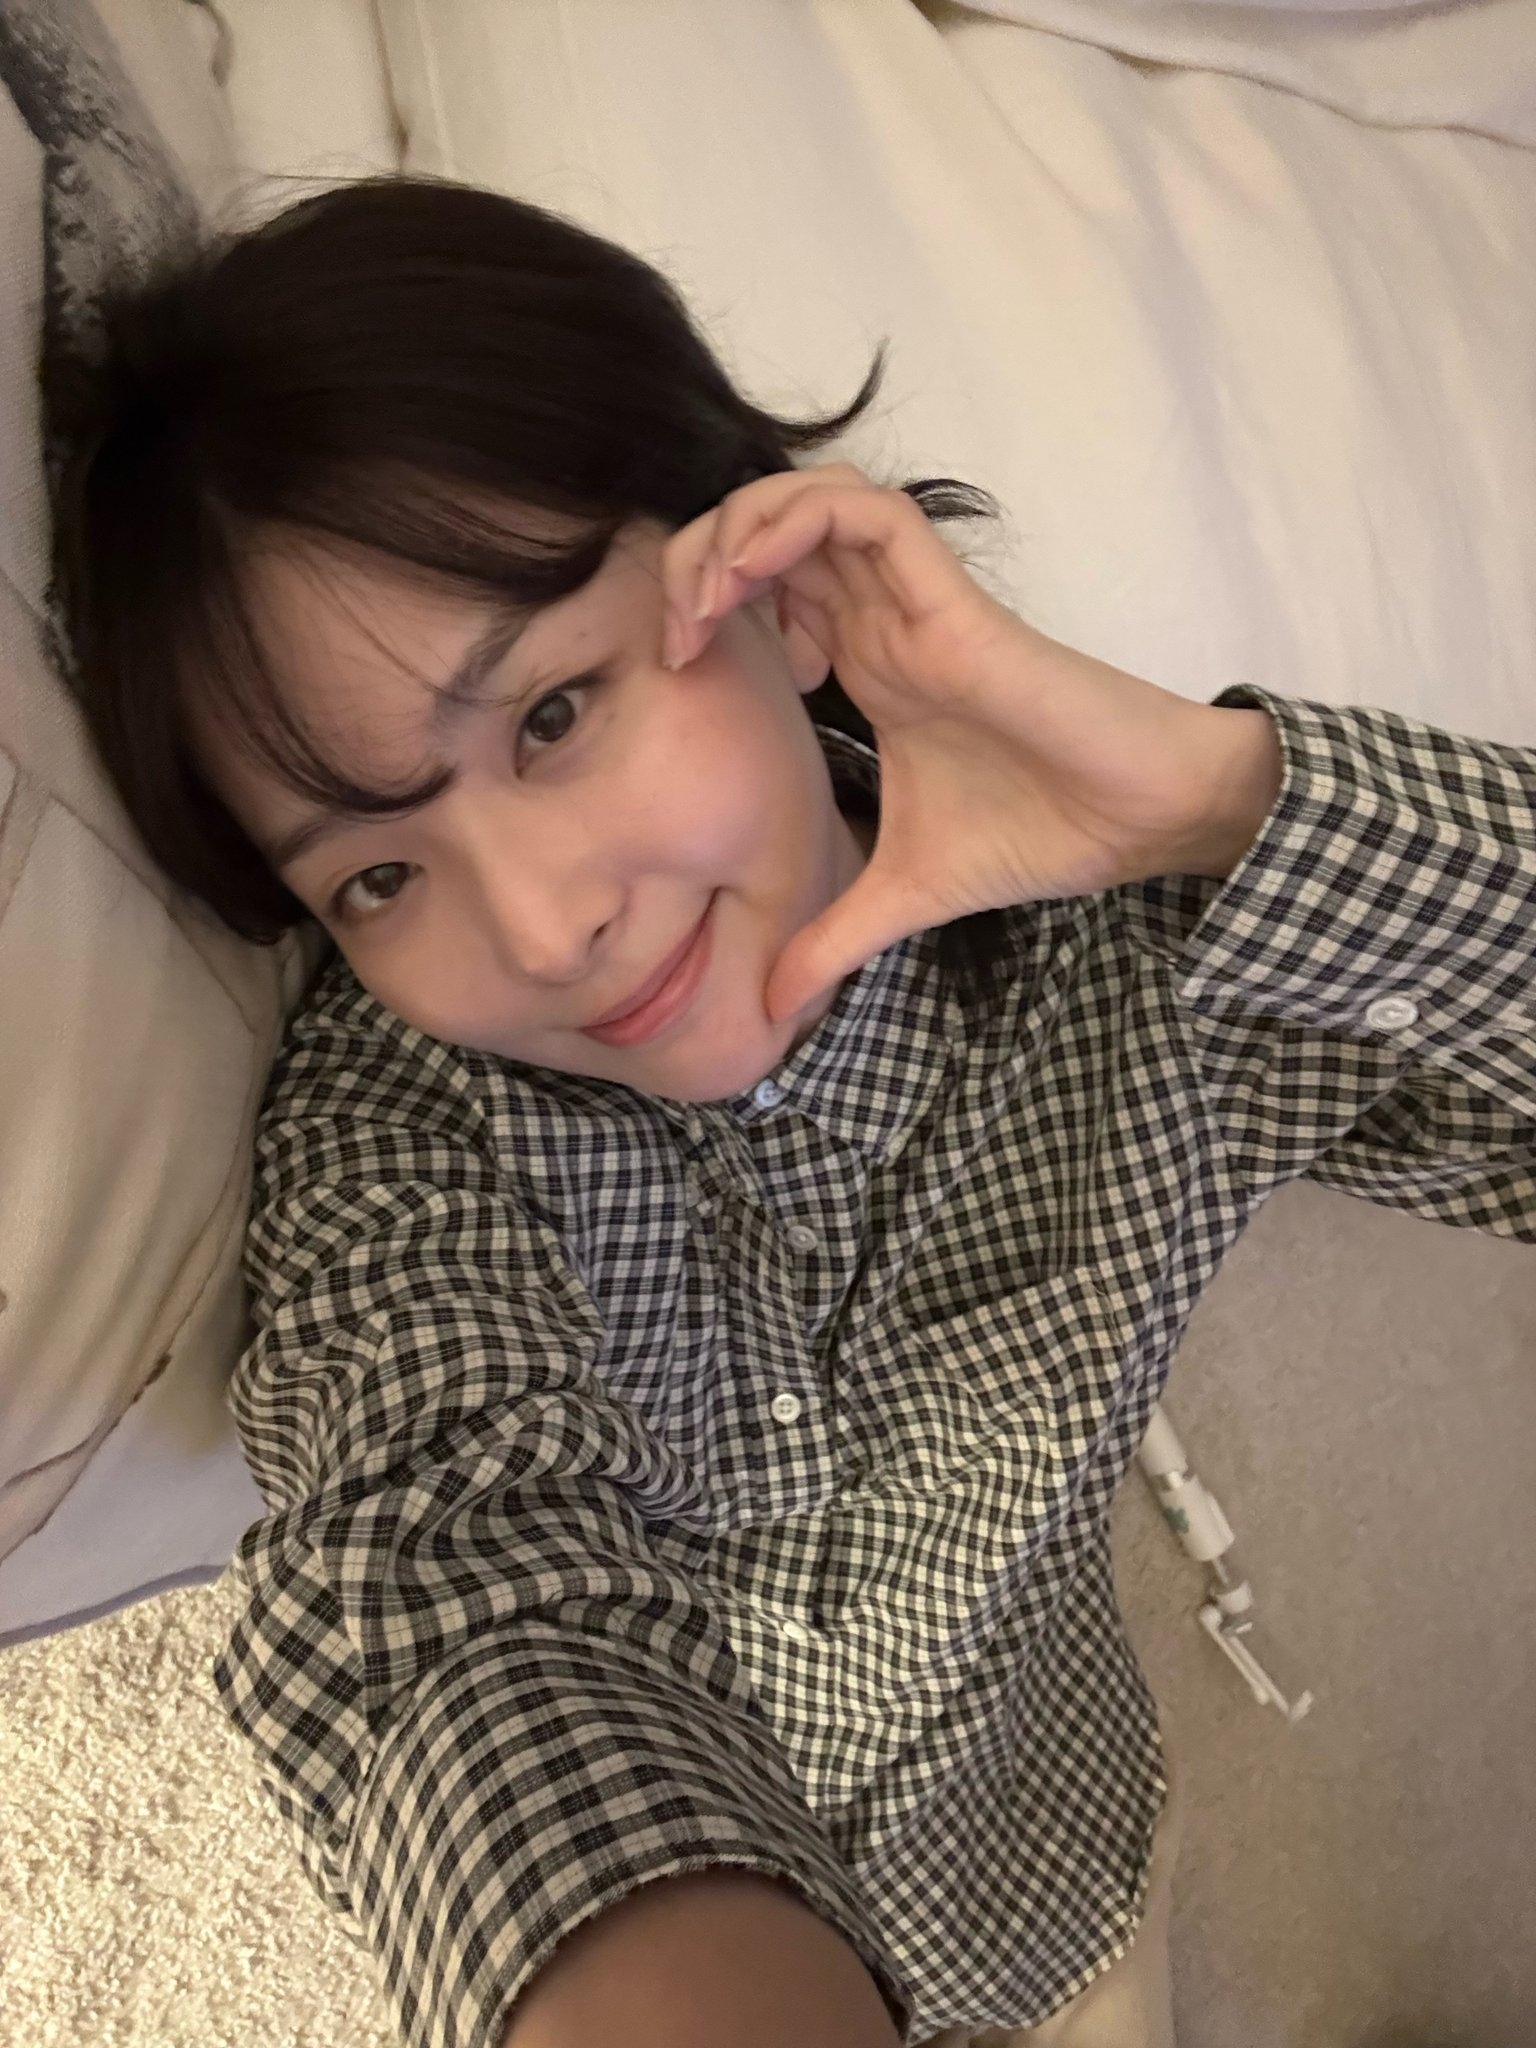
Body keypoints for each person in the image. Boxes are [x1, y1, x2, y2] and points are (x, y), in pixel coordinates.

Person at [51, 175, 1535, 2048]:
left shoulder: (1142, 945)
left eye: (552, 717)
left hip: (1052, 1839)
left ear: (776, 582)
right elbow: (443, 1584)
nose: (543, 930)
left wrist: (1216, 802)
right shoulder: (403, 1139)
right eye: (379, 875)